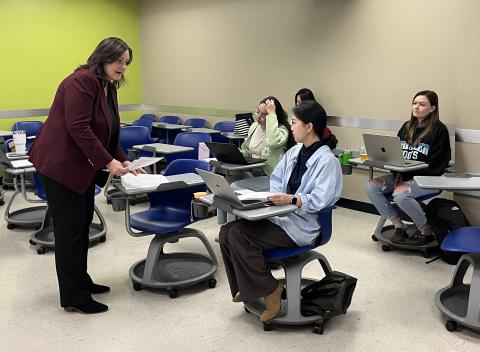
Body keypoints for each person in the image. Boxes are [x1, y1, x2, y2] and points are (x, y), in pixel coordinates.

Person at [29, 37, 144, 314]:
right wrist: (108, 162)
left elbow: (109, 132)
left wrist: (124, 160)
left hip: (80, 169)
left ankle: (81, 281)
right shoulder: (81, 81)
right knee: (69, 233)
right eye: (118, 60)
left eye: (127, 62)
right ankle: (73, 297)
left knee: (81, 228)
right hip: (60, 167)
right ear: (103, 57)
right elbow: (79, 127)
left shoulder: (108, 87)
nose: (123, 67)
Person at [219, 100, 342, 322]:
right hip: (281, 215)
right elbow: (276, 180)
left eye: (294, 123)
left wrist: (292, 200)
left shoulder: (327, 161)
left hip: (303, 225)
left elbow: (320, 201)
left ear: (309, 126)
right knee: (226, 232)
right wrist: (272, 199)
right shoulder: (295, 152)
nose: (292, 127)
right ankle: (247, 288)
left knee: (239, 235)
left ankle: (271, 290)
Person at [365, 90, 451, 246]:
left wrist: (409, 178)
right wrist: (397, 173)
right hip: (403, 175)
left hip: (427, 178)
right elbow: (395, 154)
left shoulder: (439, 130)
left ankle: (426, 230)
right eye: (414, 103)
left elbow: (438, 163)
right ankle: (399, 225)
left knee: (400, 194)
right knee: (371, 186)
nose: (416, 107)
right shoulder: (406, 127)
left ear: (432, 108)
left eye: (422, 104)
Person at [240, 96, 296, 176]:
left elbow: (273, 142)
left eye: (263, 115)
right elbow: (249, 152)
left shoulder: (282, 130)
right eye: (257, 112)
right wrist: (239, 154)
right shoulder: (254, 126)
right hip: (252, 168)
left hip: (269, 174)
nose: (258, 117)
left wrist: (272, 114)